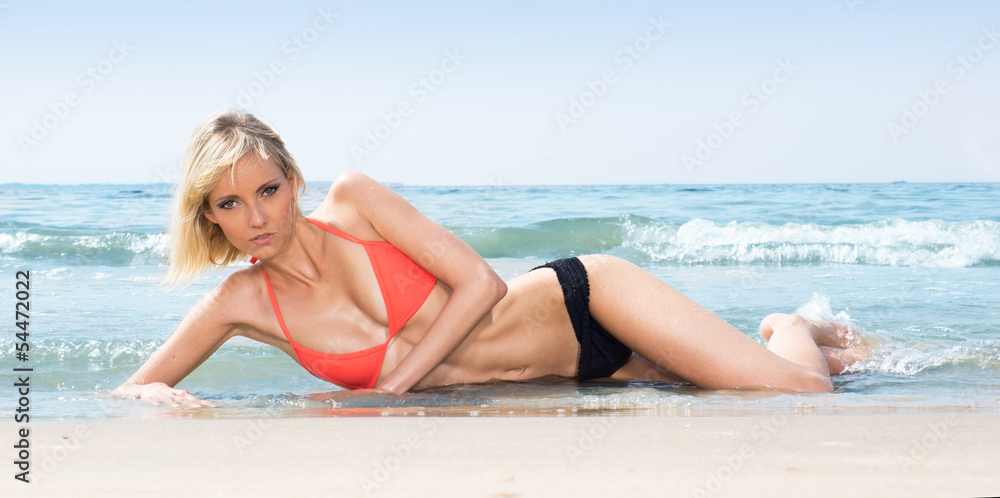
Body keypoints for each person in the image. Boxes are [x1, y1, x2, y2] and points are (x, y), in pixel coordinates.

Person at [113, 110, 861, 405]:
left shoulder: (354, 200)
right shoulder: (240, 305)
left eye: (268, 189)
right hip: (573, 375)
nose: (257, 216)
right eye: (229, 204)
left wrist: (389, 389)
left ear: (294, 180)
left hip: (586, 299)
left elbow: (480, 281)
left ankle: (793, 321)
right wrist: (151, 398)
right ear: (209, 218)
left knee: (803, 394)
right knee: (720, 388)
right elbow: (129, 392)